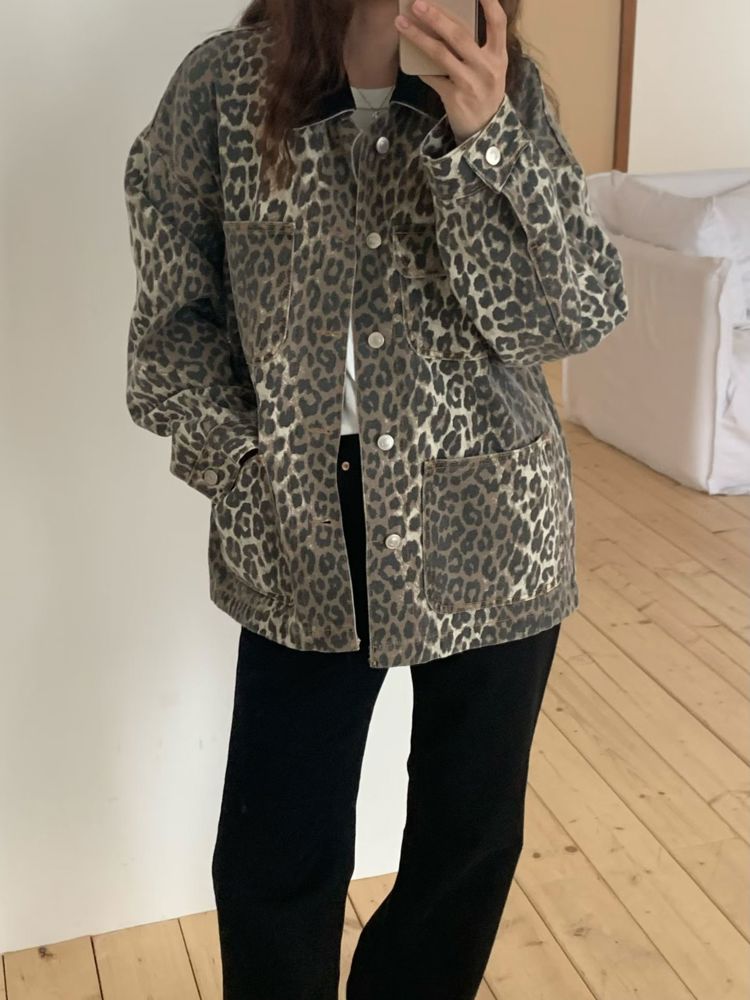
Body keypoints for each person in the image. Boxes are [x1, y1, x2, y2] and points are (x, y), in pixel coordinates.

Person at [123, 0, 629, 997]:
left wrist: (487, 140)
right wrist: (245, 465)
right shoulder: (223, 86)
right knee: (274, 849)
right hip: (302, 517)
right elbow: (172, 324)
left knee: (466, 842)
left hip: (491, 514)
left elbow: (573, 313)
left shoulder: (504, 88)